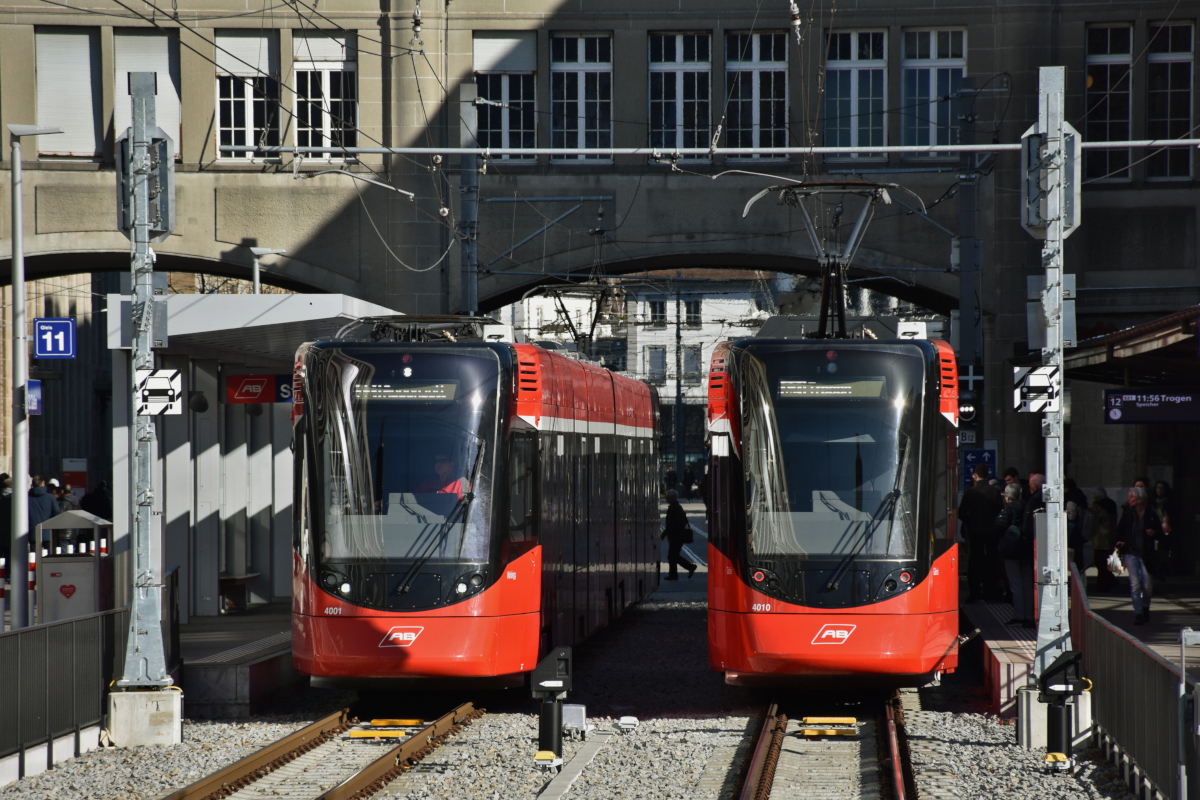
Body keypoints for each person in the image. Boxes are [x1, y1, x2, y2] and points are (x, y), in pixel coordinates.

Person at [1116, 486, 1163, 626]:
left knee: (1147, 586)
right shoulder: (1128, 513)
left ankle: (1145, 607)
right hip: (1131, 554)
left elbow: (1160, 533)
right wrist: (1120, 541)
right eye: (1129, 496)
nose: (1129, 499)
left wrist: (1153, 533)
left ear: (1140, 499)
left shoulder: (1150, 514)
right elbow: (1120, 530)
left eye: (1132, 497)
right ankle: (1138, 613)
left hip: (1147, 554)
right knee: (1135, 585)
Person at [958, 463, 1003, 603]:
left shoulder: (970, 492)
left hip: (975, 532)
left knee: (974, 562)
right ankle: (991, 592)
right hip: (991, 532)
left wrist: (970, 521)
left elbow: (961, 513)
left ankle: (975, 593)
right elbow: (1000, 511)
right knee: (991, 560)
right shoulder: (995, 492)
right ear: (988, 476)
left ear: (975, 475)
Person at [996, 482, 1033, 627]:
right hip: (1027, 549)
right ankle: (1029, 615)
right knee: (1027, 584)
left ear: (1007, 496)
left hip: (1011, 551)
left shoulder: (1008, 508)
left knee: (1016, 584)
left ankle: (1019, 615)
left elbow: (1000, 526)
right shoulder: (1027, 505)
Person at [1085, 488, 1118, 592]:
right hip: (1109, 536)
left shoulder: (1098, 506)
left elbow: (1093, 518)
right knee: (1105, 562)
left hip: (1100, 538)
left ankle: (1106, 582)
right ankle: (1106, 582)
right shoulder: (1111, 504)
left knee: (1100, 562)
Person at [661, 490, 697, 580]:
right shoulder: (677, 507)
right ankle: (674, 574)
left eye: (667, 496)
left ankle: (687, 568)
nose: (666, 498)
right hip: (678, 535)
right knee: (673, 555)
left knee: (672, 555)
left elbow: (671, 524)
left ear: (672, 498)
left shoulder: (673, 508)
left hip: (676, 536)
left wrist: (664, 533)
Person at [28, 475, 61, 544]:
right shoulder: (50, 497)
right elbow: (57, 513)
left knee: (34, 554)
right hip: (47, 532)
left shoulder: (27, 497)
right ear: (43, 483)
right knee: (48, 553)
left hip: (32, 532)